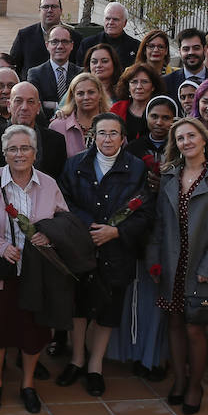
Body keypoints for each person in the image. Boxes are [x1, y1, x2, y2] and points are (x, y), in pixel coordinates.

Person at [0, 124, 70, 413]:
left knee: (32, 331)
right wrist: (0, 247)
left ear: (35, 153)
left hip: (36, 274)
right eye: (13, 148)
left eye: (25, 148)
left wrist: (48, 233)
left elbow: (64, 219)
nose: (19, 153)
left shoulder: (48, 184)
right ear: (4, 153)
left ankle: (27, 385)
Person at [58, 113, 151, 398]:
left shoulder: (136, 168)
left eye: (113, 133)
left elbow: (145, 210)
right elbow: (63, 200)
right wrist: (88, 227)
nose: (107, 139)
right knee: (79, 305)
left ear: (123, 138)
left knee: (108, 308)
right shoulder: (75, 165)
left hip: (116, 249)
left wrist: (115, 232)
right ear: (92, 136)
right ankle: (77, 359)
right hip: (82, 247)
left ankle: (95, 365)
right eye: (102, 133)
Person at [148, 117, 208, 415]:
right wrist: (154, 259)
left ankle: (196, 385)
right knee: (173, 324)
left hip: (202, 264)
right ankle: (179, 379)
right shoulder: (170, 175)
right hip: (172, 262)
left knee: (195, 329)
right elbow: (159, 223)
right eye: (180, 138)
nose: (186, 142)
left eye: (191, 136)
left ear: (203, 140)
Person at [115, 95, 177, 377]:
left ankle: (158, 355)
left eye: (166, 117)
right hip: (140, 229)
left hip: (172, 229)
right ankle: (137, 351)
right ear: (146, 118)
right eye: (155, 116)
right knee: (139, 295)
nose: (160, 123)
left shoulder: (180, 147)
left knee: (164, 296)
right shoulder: (134, 148)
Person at [0, 82, 68, 178]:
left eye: (30, 102)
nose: (24, 107)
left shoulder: (56, 141)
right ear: (8, 105)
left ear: (38, 108)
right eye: (18, 101)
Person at [10, 0, 81, 75]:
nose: (50, 10)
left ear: (61, 11)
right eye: (45, 7)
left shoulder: (75, 37)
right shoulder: (24, 36)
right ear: (39, 11)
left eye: (54, 6)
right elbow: (13, 65)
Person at [50, 72, 111, 157]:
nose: (86, 97)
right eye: (80, 93)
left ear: (100, 94)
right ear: (73, 97)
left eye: (91, 92)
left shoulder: (113, 124)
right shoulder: (57, 127)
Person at [27, 25, 82, 114]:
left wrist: (51, 105)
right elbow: (35, 105)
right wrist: (59, 108)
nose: (60, 46)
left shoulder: (80, 73)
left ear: (71, 46)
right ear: (47, 45)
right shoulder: (35, 74)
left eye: (65, 41)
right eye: (55, 42)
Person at [110, 62, 165, 143]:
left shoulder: (162, 110)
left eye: (144, 82)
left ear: (153, 87)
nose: (139, 87)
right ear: (128, 87)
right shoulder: (117, 109)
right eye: (134, 82)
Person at [75, 1, 139, 71]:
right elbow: (80, 72)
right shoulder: (87, 44)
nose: (111, 22)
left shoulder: (136, 47)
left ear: (125, 23)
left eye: (115, 19)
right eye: (107, 19)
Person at [162, 28, 208, 97]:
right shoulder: (167, 83)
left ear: (204, 50)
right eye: (186, 49)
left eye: (196, 48)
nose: (191, 52)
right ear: (180, 52)